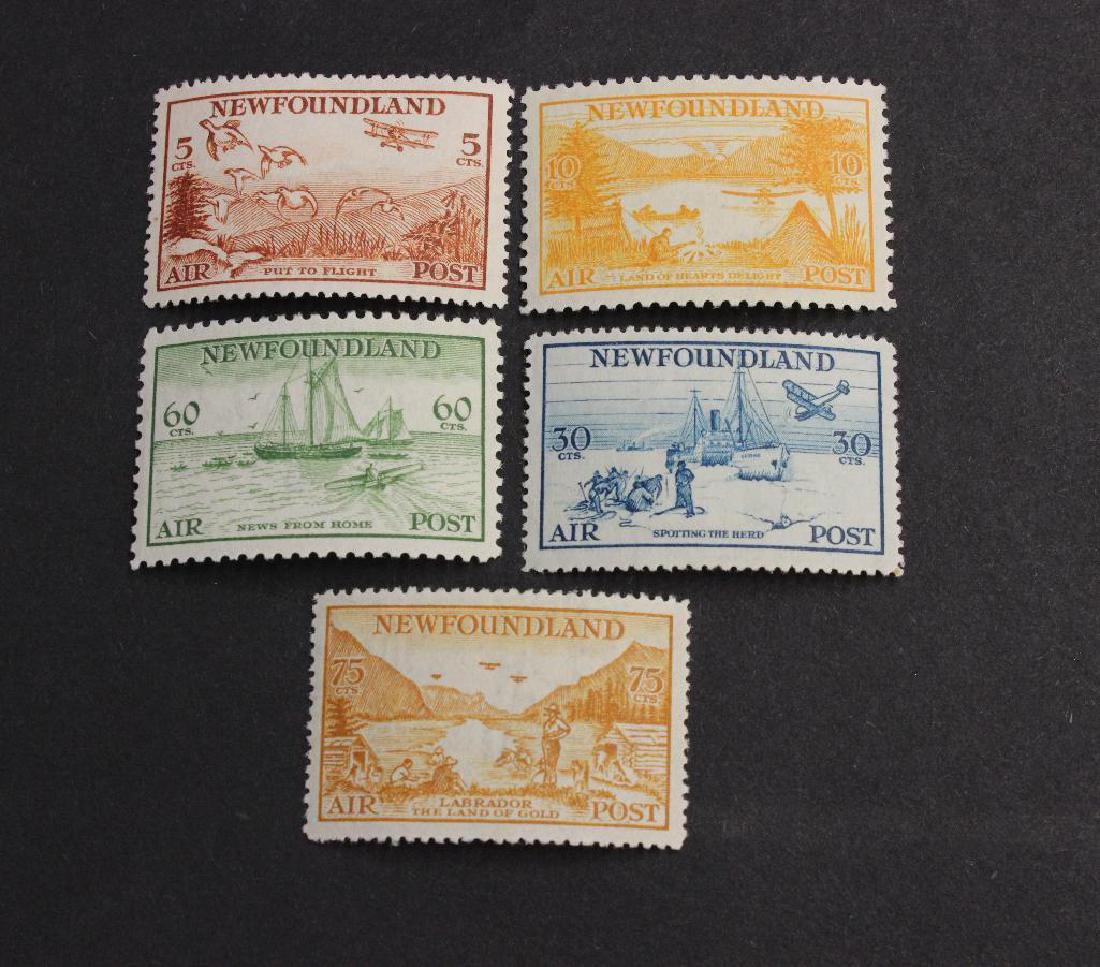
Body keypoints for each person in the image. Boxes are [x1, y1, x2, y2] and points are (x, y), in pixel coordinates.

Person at [540, 704, 571, 787]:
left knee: (553, 764)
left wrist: (556, 737)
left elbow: (567, 730)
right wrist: (546, 739)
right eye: (549, 711)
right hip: (545, 743)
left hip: (554, 744)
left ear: (555, 713)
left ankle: (552, 783)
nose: (549, 713)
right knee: (547, 763)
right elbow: (545, 732)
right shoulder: (547, 722)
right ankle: (546, 782)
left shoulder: (558, 722)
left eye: (551, 712)